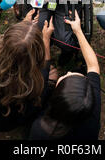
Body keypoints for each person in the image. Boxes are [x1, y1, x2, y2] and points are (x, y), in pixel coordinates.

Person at [0, 15, 56, 132]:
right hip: (7, 123)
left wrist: (24, 27)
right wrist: (46, 40)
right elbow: (45, 67)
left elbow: (15, 45)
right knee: (53, 74)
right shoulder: (32, 84)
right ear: (35, 55)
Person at [29, 11, 101, 140]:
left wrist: (45, 38)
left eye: (65, 77)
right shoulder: (91, 114)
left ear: (55, 97)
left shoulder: (40, 130)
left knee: (51, 73)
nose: (68, 72)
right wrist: (78, 31)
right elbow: (93, 66)